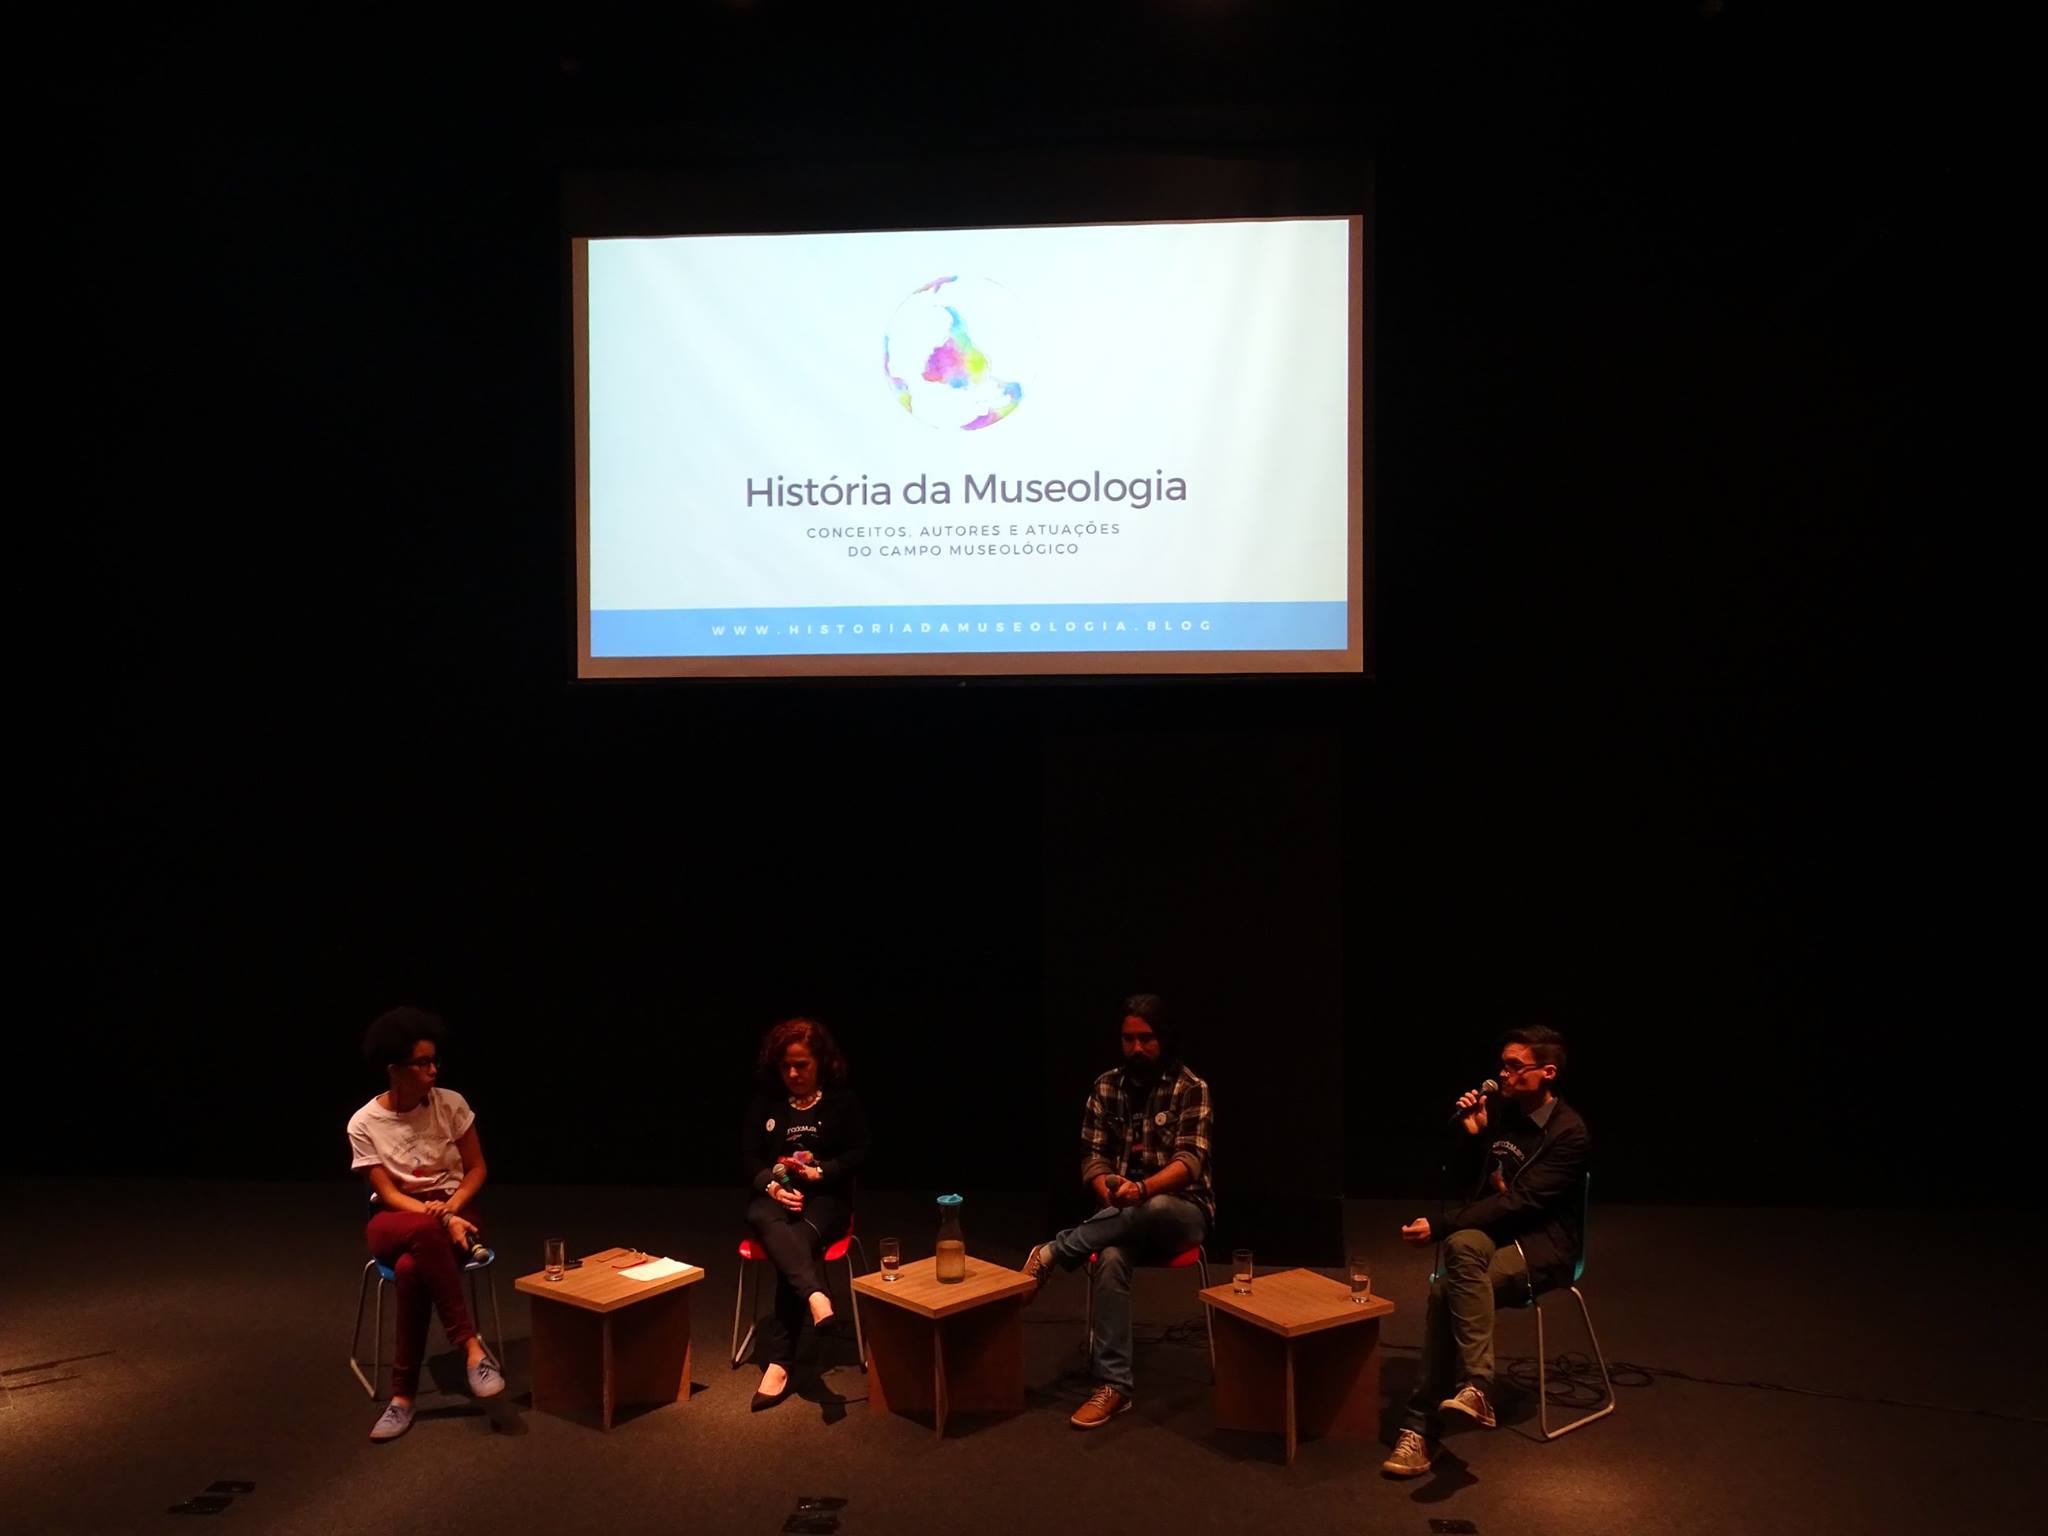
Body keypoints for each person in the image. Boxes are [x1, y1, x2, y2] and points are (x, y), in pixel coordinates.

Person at [1382, 1024, 1591, 1477]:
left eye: (1515, 1066)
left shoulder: (1569, 1133)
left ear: (1547, 1072)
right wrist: (1475, 1136)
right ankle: (1476, 1389)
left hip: (1543, 1246)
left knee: (1445, 1290)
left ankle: (1422, 1426)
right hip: (1494, 1235)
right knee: (1462, 1245)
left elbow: (1522, 1201)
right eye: (1503, 1065)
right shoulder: (1503, 1115)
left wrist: (1439, 1226)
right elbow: (1477, 1194)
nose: (1503, 1074)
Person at [1022, 993, 1215, 1429]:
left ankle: (1053, 1252)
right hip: (1120, 1218)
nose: (1136, 1048)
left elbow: (1189, 1163)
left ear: (1163, 1039)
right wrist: (1108, 1189)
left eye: (1146, 1038)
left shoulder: (1191, 1087)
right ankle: (1114, 1386)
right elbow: (1093, 1158)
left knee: (1156, 1205)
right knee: (1109, 1257)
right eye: (1128, 1039)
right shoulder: (1106, 1086)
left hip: (1182, 1213)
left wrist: (1141, 1189)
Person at [345, 1006, 505, 1442]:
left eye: (435, 1060)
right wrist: (442, 1218)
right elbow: (388, 1194)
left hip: (456, 1208)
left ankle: (402, 1398)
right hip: (395, 1218)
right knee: (422, 1231)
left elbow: (477, 1168)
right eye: (423, 1063)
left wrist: (451, 1209)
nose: (434, 1070)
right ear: (394, 1070)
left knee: (411, 1269)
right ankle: (471, 1348)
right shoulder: (364, 1123)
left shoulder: (451, 1104)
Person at [742, 1016, 870, 1411]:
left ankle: (779, 1363)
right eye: (786, 1066)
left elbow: (860, 1153)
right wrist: (773, 1187)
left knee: (792, 1244)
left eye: (802, 1065)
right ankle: (816, 1294)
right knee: (761, 1216)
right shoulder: (766, 1104)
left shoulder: (843, 1103)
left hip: (826, 1200)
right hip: (777, 1198)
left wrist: (822, 1171)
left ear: (821, 1063)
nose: (794, 1074)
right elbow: (748, 1157)